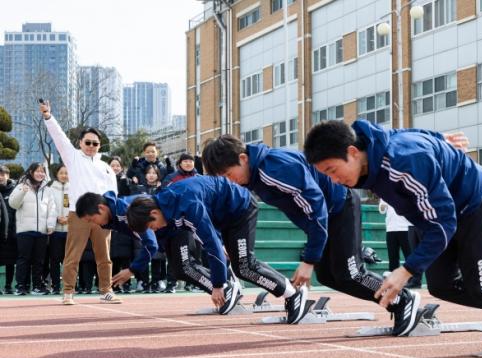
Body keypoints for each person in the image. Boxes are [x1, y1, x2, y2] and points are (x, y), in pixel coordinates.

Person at [303, 119, 482, 356]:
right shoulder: (375, 150)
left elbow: (444, 223)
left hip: (471, 201)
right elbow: (405, 134)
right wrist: (440, 139)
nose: (334, 180)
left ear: (353, 152)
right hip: (439, 213)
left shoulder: (403, 163)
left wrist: (407, 270)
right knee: (442, 286)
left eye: (332, 171)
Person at [201, 135, 420, 336]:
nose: (230, 182)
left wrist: (309, 259)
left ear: (243, 159)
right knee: (327, 276)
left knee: (350, 273)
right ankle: (395, 298)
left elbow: (316, 205)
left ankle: (402, 300)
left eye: (229, 175)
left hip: (339, 206)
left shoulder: (275, 168)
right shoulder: (257, 174)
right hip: (326, 217)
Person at [125, 176, 309, 323]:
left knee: (244, 266)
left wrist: (218, 285)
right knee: (238, 264)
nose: (153, 230)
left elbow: (210, 243)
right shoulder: (167, 206)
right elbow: (203, 235)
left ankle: (294, 295)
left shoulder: (187, 205)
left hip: (241, 208)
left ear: (154, 214)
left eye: (151, 226)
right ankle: (240, 286)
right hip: (222, 216)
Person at [39, 100, 121, 305]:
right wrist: (48, 116)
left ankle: (106, 290)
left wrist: (111, 215)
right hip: (78, 213)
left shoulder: (106, 167)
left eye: (95, 143)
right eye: (88, 142)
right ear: (80, 143)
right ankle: (68, 291)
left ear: (99, 146)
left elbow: (113, 194)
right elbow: (58, 137)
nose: (91, 146)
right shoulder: (73, 157)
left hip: (102, 215)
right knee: (72, 254)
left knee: (104, 256)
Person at [75, 192, 158, 294]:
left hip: (178, 227)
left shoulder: (126, 210)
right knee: (179, 271)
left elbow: (151, 244)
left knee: (182, 270)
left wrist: (132, 270)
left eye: (92, 219)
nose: (93, 223)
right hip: (169, 234)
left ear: (101, 208)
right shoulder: (113, 219)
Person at [9, 162, 56, 295]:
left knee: (39, 260)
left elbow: (52, 209)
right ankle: (20, 286)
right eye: (37, 171)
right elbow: (13, 204)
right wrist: (22, 193)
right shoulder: (21, 186)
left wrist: (51, 225)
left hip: (41, 231)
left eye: (42, 171)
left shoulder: (48, 190)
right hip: (24, 230)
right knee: (23, 259)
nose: (40, 174)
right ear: (31, 172)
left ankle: (37, 286)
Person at [378, 199, 422, 288]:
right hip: (390, 228)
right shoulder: (384, 191)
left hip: (405, 227)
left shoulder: (403, 189)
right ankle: (393, 281)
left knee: (409, 256)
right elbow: (381, 210)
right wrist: (384, 205)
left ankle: (413, 281)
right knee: (392, 256)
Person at [48, 164, 70, 294]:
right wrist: (57, 218)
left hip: (69, 230)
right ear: (57, 174)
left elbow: (76, 207)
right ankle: (55, 286)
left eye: (66, 173)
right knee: (55, 259)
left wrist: (68, 218)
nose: (64, 175)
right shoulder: (50, 189)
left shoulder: (73, 189)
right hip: (55, 230)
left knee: (69, 260)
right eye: (62, 173)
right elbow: (49, 207)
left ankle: (70, 285)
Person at [0, 165, 18, 294]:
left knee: (10, 261)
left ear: (8, 175)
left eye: (3, 174)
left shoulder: (15, 190)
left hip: (12, 231)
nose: (1, 177)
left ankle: (8, 286)